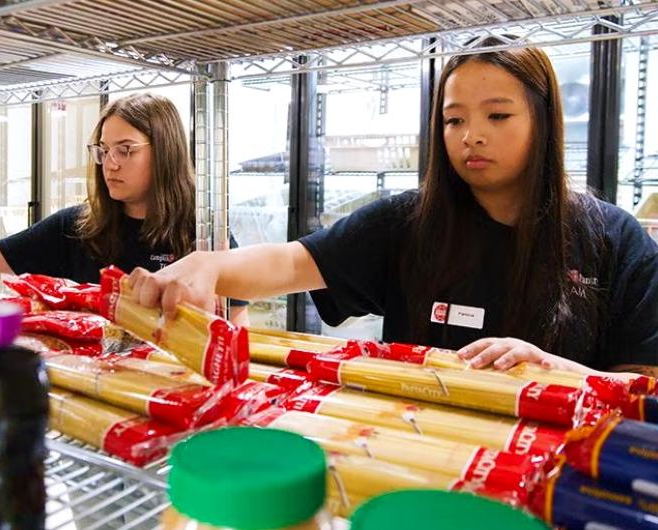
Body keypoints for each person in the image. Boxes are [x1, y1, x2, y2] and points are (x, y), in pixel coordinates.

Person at [125, 38, 657, 378]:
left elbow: (643, 388)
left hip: (561, 479)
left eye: (497, 116)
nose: (471, 136)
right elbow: (293, 262)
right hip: (418, 458)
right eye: (453, 120)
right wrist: (209, 267)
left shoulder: (613, 239)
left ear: (544, 122)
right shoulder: (410, 222)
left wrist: (555, 369)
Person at [0, 93, 249, 325]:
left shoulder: (202, 231)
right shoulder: (78, 227)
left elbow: (237, 329)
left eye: (125, 150)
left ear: (165, 151)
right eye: (103, 150)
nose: (109, 163)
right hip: (91, 397)